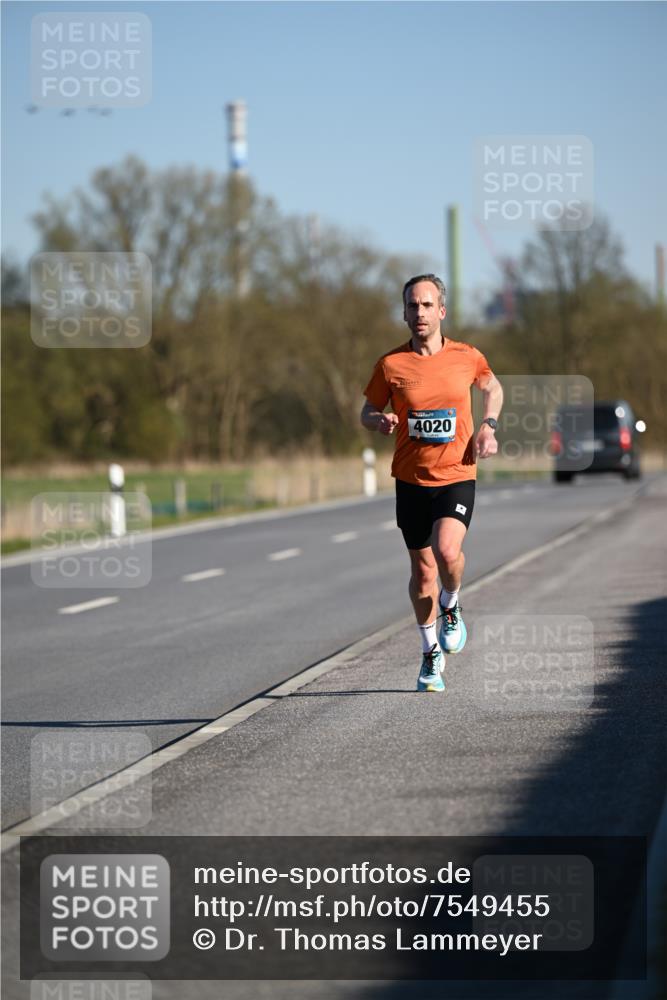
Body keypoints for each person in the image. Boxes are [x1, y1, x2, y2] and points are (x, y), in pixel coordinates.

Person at [361, 274, 503, 692]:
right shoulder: (390, 365)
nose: (419, 312)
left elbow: (493, 387)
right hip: (411, 480)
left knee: (447, 550)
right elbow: (366, 411)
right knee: (423, 572)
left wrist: (489, 425)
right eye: (412, 306)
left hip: (457, 473)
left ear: (441, 310)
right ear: (404, 313)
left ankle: (451, 603)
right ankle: (429, 654)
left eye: (427, 305)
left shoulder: (466, 356)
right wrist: (379, 420)